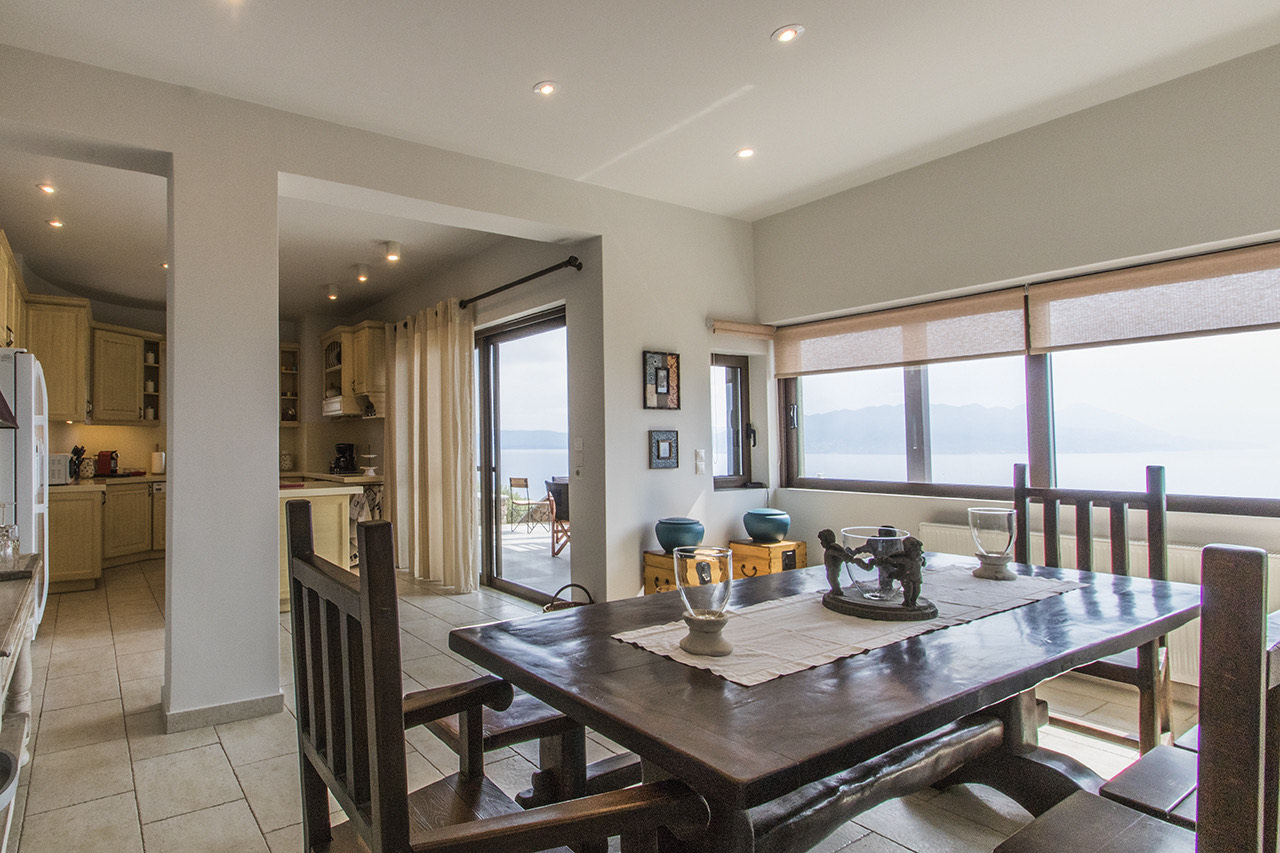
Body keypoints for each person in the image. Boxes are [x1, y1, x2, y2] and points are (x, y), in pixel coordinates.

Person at [819, 528, 858, 595]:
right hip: (830, 568)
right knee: (831, 579)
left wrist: (848, 558)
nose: (821, 543)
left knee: (832, 579)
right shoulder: (830, 550)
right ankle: (835, 590)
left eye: (822, 541)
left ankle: (837, 591)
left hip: (833, 568)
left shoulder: (832, 550)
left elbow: (841, 555)